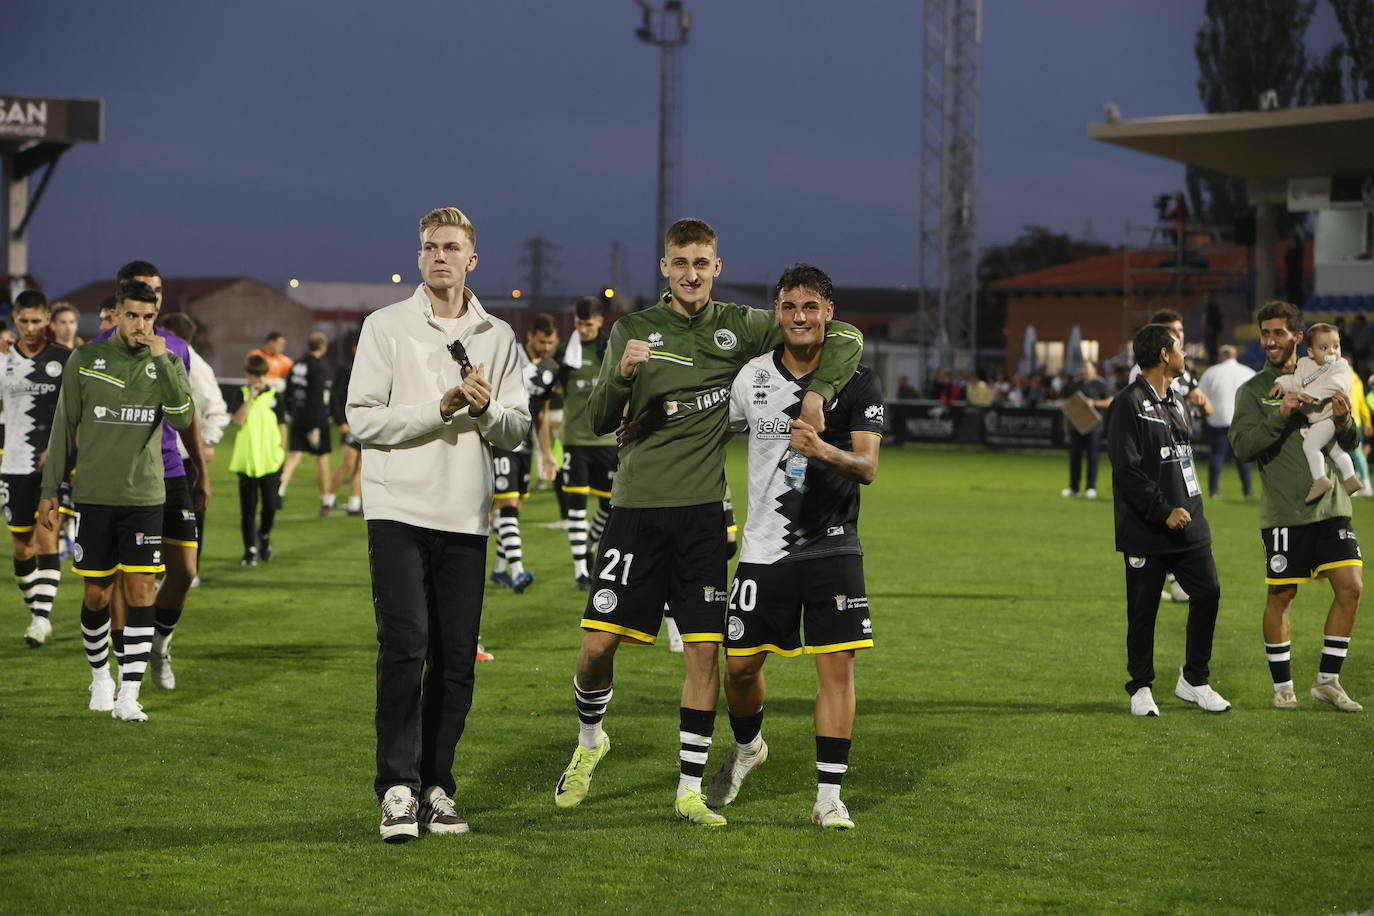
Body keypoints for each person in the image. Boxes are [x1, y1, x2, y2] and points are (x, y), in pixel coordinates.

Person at [551, 218, 863, 828]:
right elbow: (594, 421)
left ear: (716, 268)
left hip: (700, 517)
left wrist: (820, 391)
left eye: (701, 263)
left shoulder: (741, 326)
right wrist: (621, 376)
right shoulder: (633, 330)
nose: (690, 274)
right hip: (635, 511)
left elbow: (843, 333)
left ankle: (689, 788)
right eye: (679, 263)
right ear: (663, 268)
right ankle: (591, 741)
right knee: (596, 649)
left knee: (703, 655)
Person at [346, 206, 530, 842]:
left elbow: (517, 431)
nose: (439, 257)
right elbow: (364, 421)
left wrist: (482, 412)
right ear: (419, 257)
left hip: (465, 516)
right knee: (405, 647)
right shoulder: (385, 326)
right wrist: (440, 407)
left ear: (472, 260)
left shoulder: (499, 337)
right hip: (397, 509)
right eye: (429, 248)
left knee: (456, 662)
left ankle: (437, 788)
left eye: (451, 247)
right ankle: (396, 788)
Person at [707, 264, 883, 831]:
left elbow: (868, 467)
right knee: (738, 669)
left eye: (811, 307)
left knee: (836, 670)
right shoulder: (754, 375)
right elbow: (717, 430)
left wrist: (822, 451)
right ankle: (750, 745)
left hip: (833, 545)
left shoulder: (856, 378)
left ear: (829, 312)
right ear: (778, 312)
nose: (800, 317)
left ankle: (829, 797)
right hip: (764, 547)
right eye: (790, 307)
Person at [38, 279, 194, 722]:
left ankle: (129, 693)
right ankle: (100, 677)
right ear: (115, 315)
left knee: (143, 587)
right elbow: (63, 427)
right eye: (132, 316)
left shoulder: (167, 360)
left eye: (148, 317)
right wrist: (50, 490)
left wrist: (163, 360)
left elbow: (182, 417)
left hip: (145, 494)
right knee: (95, 593)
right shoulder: (86, 359)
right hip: (94, 496)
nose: (140, 325)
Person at [1230, 301, 1363, 712]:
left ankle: (1327, 680)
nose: (1270, 341)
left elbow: (1353, 443)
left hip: (1332, 507)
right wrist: (1280, 415)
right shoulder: (1254, 390)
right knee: (1281, 597)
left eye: (1279, 333)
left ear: (1298, 337)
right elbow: (1242, 446)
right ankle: (1283, 687)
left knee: (1352, 588)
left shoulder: (1332, 373)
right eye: (1265, 333)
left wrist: (1343, 423)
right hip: (1286, 512)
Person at [93, 261, 210, 693]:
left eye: (158, 294)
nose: (153, 301)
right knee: (129, 576)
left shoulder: (176, 347)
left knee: (183, 569)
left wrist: (200, 468)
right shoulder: (98, 348)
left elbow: (186, 410)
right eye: (145, 295)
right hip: (120, 478)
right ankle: (127, 671)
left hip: (171, 469)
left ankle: (160, 643)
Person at [1104, 323, 1229, 717]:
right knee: (1143, 610)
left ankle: (1194, 680)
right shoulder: (1127, 403)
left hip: (1190, 521)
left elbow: (1180, 457)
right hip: (1147, 527)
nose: (1184, 354)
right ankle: (1140, 687)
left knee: (1208, 593)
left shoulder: (1177, 399)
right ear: (1163, 354)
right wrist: (1162, 509)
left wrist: (1189, 506)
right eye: (1179, 347)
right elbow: (1127, 470)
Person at [1, 292, 72, 646]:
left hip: (51, 466)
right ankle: (36, 611)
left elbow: (75, 414)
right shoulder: (3, 358)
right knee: (22, 545)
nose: (30, 328)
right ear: (15, 318)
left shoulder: (64, 358)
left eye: (36, 321)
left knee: (49, 537)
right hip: (12, 462)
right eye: (23, 321)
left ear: (48, 319)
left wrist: (60, 453)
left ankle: (41, 619)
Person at [159, 311, 231, 584]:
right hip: (166, 454)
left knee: (189, 517)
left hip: (183, 455)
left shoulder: (193, 363)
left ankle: (189, 572)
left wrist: (208, 441)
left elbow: (217, 408)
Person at [489, 313, 558, 593]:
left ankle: (498, 571)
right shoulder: (509, 357)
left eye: (551, 342)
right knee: (506, 505)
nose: (546, 347)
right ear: (530, 336)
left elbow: (540, 414)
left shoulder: (551, 369)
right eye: (541, 341)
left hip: (524, 444)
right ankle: (517, 571)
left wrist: (547, 453)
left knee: (514, 509)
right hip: (500, 440)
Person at [554, 296, 618, 590]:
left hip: (607, 441)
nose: (583, 329)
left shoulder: (611, 350)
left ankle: (588, 546)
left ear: (600, 321)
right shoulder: (565, 354)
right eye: (579, 324)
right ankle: (581, 569)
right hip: (575, 442)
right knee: (576, 507)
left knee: (609, 505)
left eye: (588, 324)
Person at [1269, 323, 1362, 504]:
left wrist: (1311, 394)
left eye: (1336, 346)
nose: (1332, 352)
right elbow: (1296, 382)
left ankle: (1320, 480)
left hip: (1328, 417)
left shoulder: (1341, 366)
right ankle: (1351, 479)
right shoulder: (1305, 364)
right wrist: (1281, 384)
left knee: (1310, 447)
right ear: (1311, 352)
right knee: (1335, 451)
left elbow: (1337, 385)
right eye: (1324, 348)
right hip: (1318, 418)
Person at [229, 354, 286, 566]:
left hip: (271, 460)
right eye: (255, 375)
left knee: (271, 505)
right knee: (248, 508)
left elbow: (282, 424)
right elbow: (238, 420)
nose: (259, 379)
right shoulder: (242, 394)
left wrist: (282, 449)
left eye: (262, 375)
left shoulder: (275, 396)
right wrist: (250, 398)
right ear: (247, 374)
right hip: (248, 461)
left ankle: (263, 534)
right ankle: (249, 550)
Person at [279, 333, 333, 512]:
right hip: (315, 419)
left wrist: (292, 412)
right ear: (322, 346)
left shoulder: (297, 363)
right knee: (322, 459)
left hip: (298, 417)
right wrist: (317, 425)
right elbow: (317, 397)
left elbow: (288, 392)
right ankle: (326, 500)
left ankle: (279, 490)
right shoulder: (317, 366)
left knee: (294, 455)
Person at [1196, 344, 1255, 499]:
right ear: (1235, 355)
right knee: (1242, 457)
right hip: (1241, 421)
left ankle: (1213, 491)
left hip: (1217, 419)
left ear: (1221, 356)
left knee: (1217, 455)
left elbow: (1200, 396)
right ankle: (1247, 492)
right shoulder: (1248, 372)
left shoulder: (1211, 372)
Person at [1060, 359, 1113, 499]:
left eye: (1087, 367)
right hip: (1077, 426)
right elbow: (1068, 403)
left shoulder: (1100, 384)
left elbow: (1110, 401)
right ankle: (1074, 488)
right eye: (1083, 367)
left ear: (1094, 369)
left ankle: (1091, 487)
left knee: (1092, 458)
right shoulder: (1076, 384)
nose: (1085, 370)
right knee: (1074, 457)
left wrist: (1094, 402)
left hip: (1094, 427)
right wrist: (1066, 425)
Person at [326, 335, 364, 516]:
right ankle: (328, 501)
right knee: (347, 463)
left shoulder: (371, 369)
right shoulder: (345, 369)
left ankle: (354, 505)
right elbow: (335, 396)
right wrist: (340, 421)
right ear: (354, 348)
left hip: (365, 424)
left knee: (360, 466)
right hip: (349, 424)